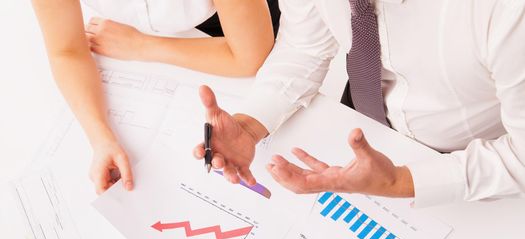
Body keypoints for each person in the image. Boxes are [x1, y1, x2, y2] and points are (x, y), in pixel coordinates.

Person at [193, 0, 525, 207]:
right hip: (363, 119)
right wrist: (252, 124)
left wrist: (400, 183)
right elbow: (304, 46)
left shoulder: (509, 12)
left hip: (470, 165)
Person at [32, 0, 279, 194]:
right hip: (141, 37)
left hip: (231, 28)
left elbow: (250, 55)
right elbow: (67, 51)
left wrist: (141, 46)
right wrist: (101, 138)